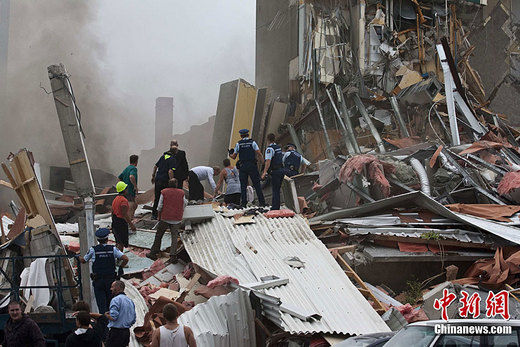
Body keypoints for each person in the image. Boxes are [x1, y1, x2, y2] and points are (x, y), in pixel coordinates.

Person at [80, 228, 129, 315]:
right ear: (107, 239)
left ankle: (104, 323)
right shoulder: (112, 249)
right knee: (111, 303)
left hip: (98, 281)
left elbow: (84, 260)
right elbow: (125, 258)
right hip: (111, 281)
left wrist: (78, 257)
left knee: (101, 305)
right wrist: (121, 266)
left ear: (98, 240)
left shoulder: (93, 250)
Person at [146, 178, 187, 263]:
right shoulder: (181, 193)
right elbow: (184, 204)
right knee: (174, 238)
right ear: (176, 184)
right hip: (176, 219)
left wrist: (159, 216)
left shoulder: (164, 192)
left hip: (165, 217)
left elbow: (160, 206)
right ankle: (173, 256)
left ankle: (153, 253)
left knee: (159, 235)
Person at [229, 129, 266, 207]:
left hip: (243, 166)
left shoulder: (238, 144)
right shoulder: (252, 142)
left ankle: (243, 203)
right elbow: (259, 153)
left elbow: (234, 157)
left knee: (243, 185)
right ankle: (262, 202)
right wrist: (263, 163)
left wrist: (230, 153)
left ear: (241, 135)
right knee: (257, 184)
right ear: (248, 135)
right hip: (252, 165)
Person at [106, 280, 136, 347]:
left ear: (118, 288)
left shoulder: (115, 300)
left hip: (116, 333)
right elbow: (133, 319)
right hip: (126, 333)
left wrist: (107, 315)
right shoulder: (130, 301)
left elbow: (113, 317)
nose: (111, 289)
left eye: (112, 287)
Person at [152, 143, 178, 219]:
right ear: (175, 152)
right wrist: (172, 181)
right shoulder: (173, 159)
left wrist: (153, 176)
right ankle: (164, 215)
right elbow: (170, 171)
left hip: (158, 180)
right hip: (165, 181)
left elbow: (155, 166)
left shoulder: (163, 156)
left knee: (157, 197)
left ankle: (154, 215)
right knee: (165, 198)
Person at [261, 133, 285, 210]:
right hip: (281, 170)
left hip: (275, 171)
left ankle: (275, 207)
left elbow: (268, 161)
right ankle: (276, 206)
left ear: (268, 140)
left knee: (275, 190)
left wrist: (264, 172)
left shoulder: (269, 149)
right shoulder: (278, 147)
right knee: (278, 189)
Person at [112, 182, 136, 252]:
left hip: (115, 220)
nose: (127, 190)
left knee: (118, 241)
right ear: (124, 190)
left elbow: (112, 212)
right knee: (121, 243)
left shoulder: (115, 199)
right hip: (121, 222)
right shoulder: (123, 200)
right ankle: (120, 258)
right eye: (126, 189)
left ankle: (116, 256)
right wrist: (131, 225)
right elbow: (124, 214)